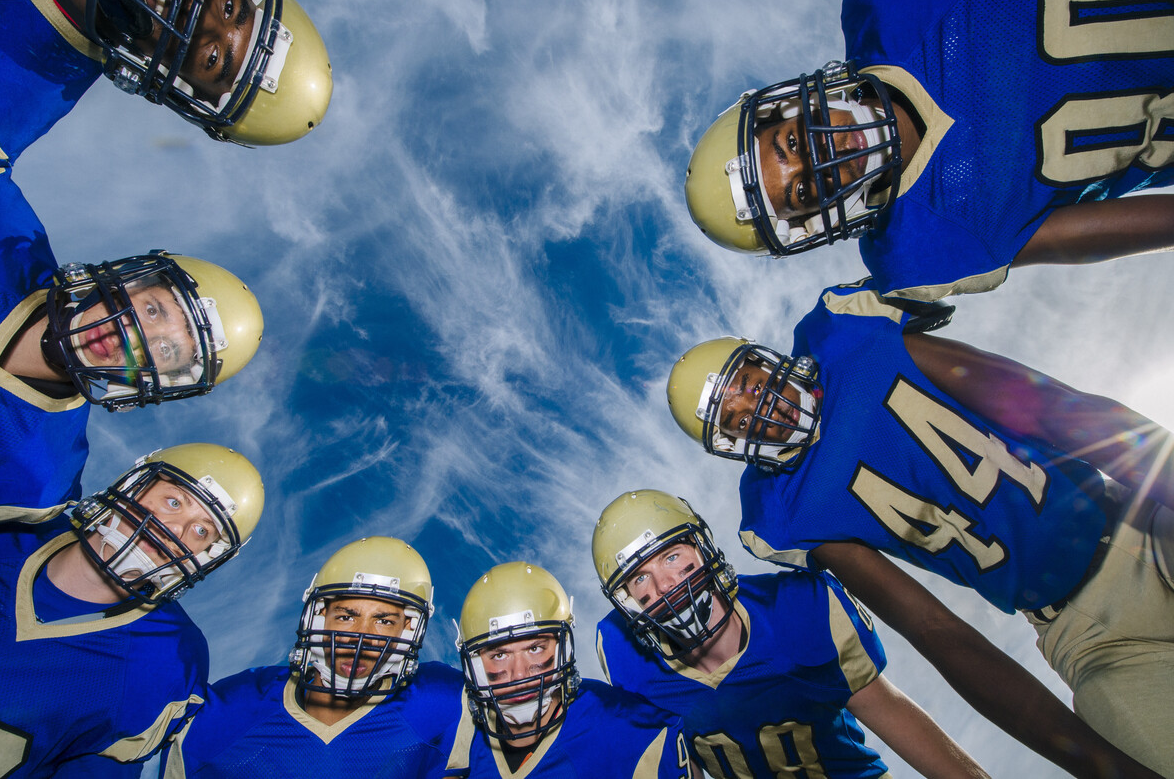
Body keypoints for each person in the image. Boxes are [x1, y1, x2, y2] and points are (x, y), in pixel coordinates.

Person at [665, 277, 1174, 777]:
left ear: (767, 358)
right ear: (732, 448)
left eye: (749, 385)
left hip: (1142, 520)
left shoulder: (850, 335)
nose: (758, 409)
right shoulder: (785, 512)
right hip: (1081, 633)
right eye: (734, 420)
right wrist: (1094, 764)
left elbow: (1057, 412)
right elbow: (933, 629)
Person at [683, 0, 1174, 301]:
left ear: (789, 103)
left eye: (790, 143)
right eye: (804, 193)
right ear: (815, 225)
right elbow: (1078, 235)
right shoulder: (920, 250)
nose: (821, 161)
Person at [593, 488, 989, 779]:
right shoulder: (626, 662)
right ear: (627, 602)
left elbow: (890, 711)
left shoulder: (798, 607)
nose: (664, 586)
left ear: (702, 549)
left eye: (672, 555)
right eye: (640, 577)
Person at [0, 441, 264, 777]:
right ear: (132, 486)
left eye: (201, 530)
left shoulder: (164, 664)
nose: (175, 530)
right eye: (174, 502)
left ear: (206, 557)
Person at [0, 232, 264, 518]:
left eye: (164, 350)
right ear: (128, 281)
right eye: (152, 310)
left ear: (159, 381)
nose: (131, 337)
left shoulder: (39, 477)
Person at [160, 536, 466, 778]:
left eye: (384, 621)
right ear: (318, 620)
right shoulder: (231, 709)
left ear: (407, 632)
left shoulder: (442, 702)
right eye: (347, 616)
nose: (361, 636)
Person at [0, 0, 332, 166]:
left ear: (171, 80)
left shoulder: (0, 112)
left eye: (211, 58)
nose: (201, 13)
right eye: (229, 7)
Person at [444, 561, 696, 779]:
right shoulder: (454, 735)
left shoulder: (632, 729)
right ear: (475, 666)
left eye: (535, 648)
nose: (519, 674)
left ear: (562, 650)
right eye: (499, 655)